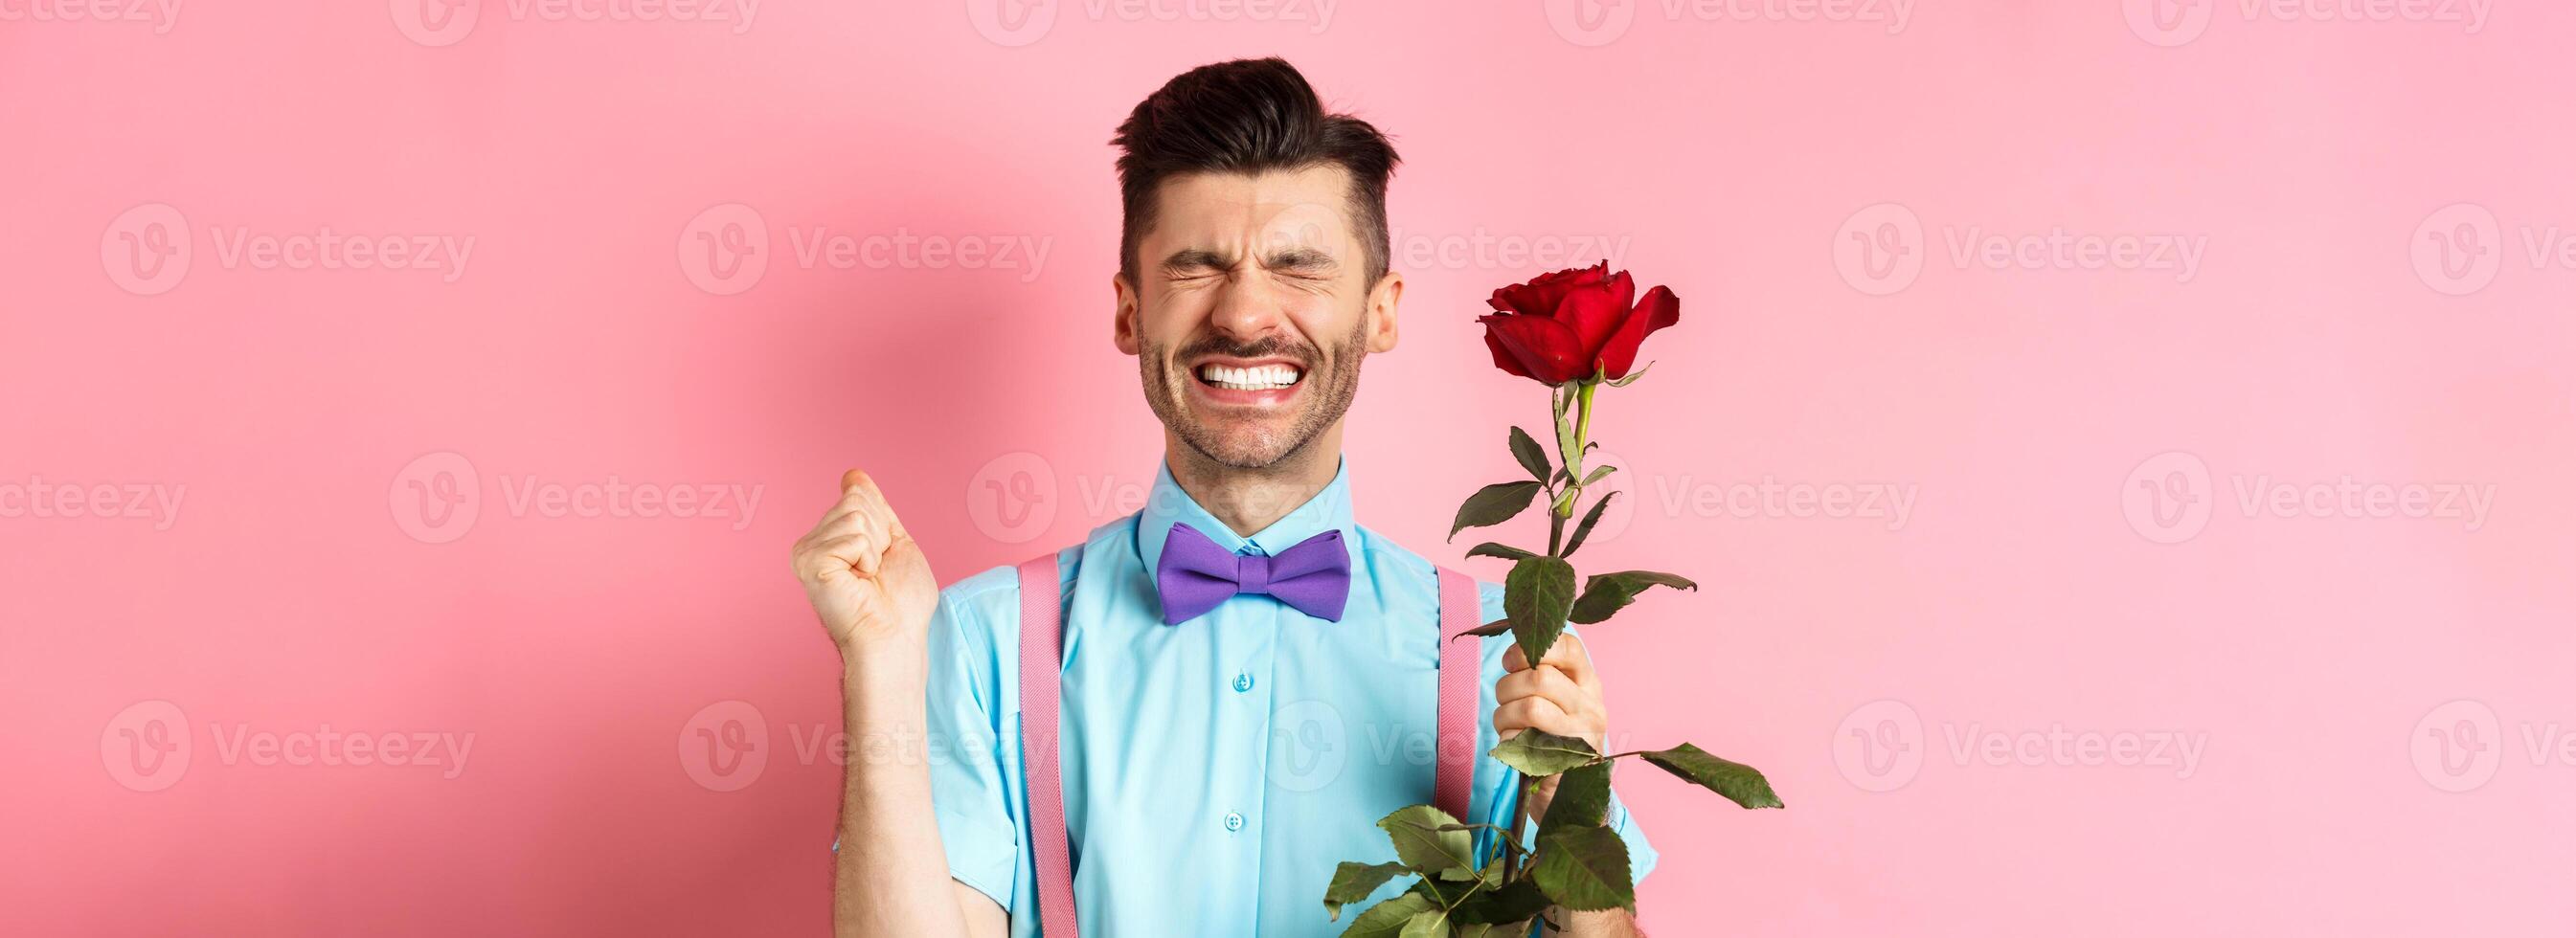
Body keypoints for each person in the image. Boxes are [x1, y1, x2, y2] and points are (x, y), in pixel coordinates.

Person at [793, 57, 1655, 937]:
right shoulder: (980, 643)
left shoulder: (1511, 659)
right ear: (1130, 314)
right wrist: (881, 668)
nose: (1244, 316)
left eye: (1299, 266)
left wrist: (1572, 805)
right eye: (1197, 267)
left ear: (1380, 312)